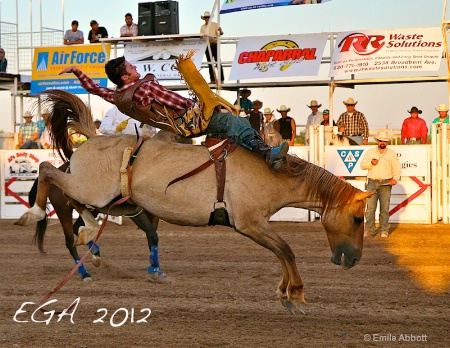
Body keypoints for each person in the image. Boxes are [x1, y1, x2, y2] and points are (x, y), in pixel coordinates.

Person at [59, 56, 289, 169]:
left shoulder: (119, 96)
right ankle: (266, 154)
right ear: (125, 77)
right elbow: (180, 103)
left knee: (227, 128)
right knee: (232, 121)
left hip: (175, 128)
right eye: (131, 67)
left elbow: (95, 89)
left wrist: (78, 71)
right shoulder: (146, 88)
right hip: (190, 121)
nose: (136, 68)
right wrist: (205, 105)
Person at [361, 131, 401, 238]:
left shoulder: (391, 153)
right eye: (381, 141)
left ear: (387, 142)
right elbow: (362, 165)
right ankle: (369, 230)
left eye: (384, 141)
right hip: (372, 182)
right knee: (370, 208)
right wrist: (371, 163)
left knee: (384, 208)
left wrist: (395, 179)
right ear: (377, 141)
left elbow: (397, 168)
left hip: (386, 183)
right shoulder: (370, 152)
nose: (382, 142)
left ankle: (384, 230)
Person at [199, 11, 224, 84]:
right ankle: (212, 79)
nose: (207, 19)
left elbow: (220, 33)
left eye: (208, 17)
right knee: (210, 63)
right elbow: (201, 36)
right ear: (204, 19)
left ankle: (221, 79)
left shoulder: (215, 25)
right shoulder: (202, 27)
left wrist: (221, 31)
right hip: (207, 45)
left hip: (214, 43)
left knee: (217, 61)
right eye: (206, 18)